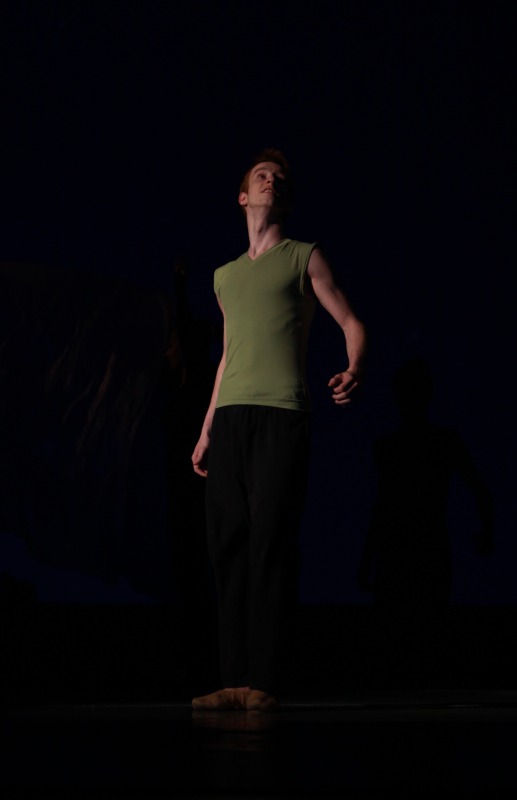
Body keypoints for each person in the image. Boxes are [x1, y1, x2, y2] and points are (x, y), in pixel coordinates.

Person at [191, 148, 367, 712]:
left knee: (271, 542)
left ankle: (264, 680)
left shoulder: (303, 257)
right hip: (231, 417)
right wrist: (206, 429)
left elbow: (350, 321)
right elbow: (227, 355)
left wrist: (354, 367)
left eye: (278, 178)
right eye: (261, 176)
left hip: (282, 414)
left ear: (284, 197)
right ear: (243, 196)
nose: (270, 181)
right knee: (228, 546)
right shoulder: (223, 276)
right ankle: (233, 679)